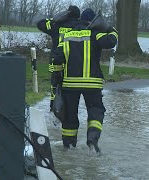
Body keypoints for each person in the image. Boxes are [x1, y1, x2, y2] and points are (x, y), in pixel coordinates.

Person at [52, 8, 118, 153]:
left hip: (70, 84)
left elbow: (57, 58)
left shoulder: (67, 36)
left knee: (69, 116)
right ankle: (92, 140)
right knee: (96, 111)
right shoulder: (96, 34)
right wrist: (111, 29)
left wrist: (57, 78)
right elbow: (111, 41)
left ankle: (68, 147)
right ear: (92, 21)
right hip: (92, 84)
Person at [36, 5, 81, 111]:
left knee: (55, 86)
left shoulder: (57, 25)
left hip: (56, 62)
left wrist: (56, 18)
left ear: (66, 14)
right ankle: (69, 111)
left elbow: (40, 23)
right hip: (73, 63)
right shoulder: (80, 26)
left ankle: (54, 109)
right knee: (70, 89)